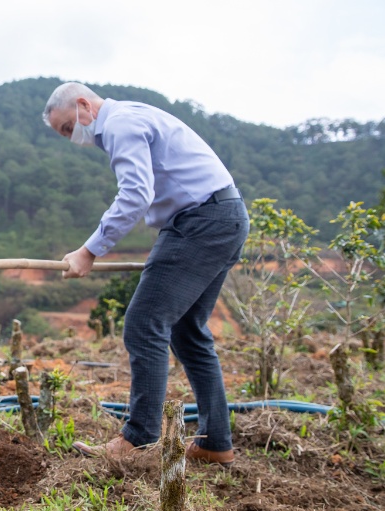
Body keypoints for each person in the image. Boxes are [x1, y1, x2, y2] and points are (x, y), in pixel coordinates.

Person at [41, 82, 249, 466]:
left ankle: (138, 440)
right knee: (188, 333)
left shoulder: (120, 124)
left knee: (144, 322)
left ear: (84, 105)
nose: (72, 138)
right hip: (225, 216)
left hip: (199, 222)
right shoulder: (132, 117)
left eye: (69, 127)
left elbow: (136, 194)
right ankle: (215, 442)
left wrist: (89, 251)